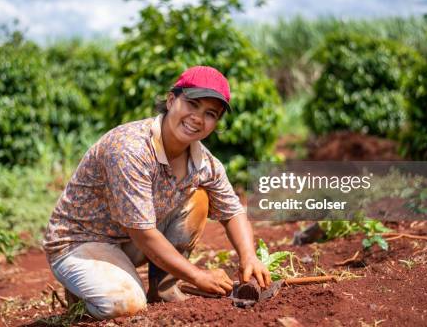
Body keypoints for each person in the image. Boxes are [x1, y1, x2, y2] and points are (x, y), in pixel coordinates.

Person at [43, 65, 271, 320]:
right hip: (80, 243)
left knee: (199, 199)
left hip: (126, 239)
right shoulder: (130, 148)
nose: (198, 118)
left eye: (210, 114)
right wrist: (197, 276)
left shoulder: (204, 162)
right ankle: (82, 296)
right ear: (171, 100)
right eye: (192, 104)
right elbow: (142, 233)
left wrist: (248, 257)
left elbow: (232, 211)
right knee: (127, 304)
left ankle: (164, 290)